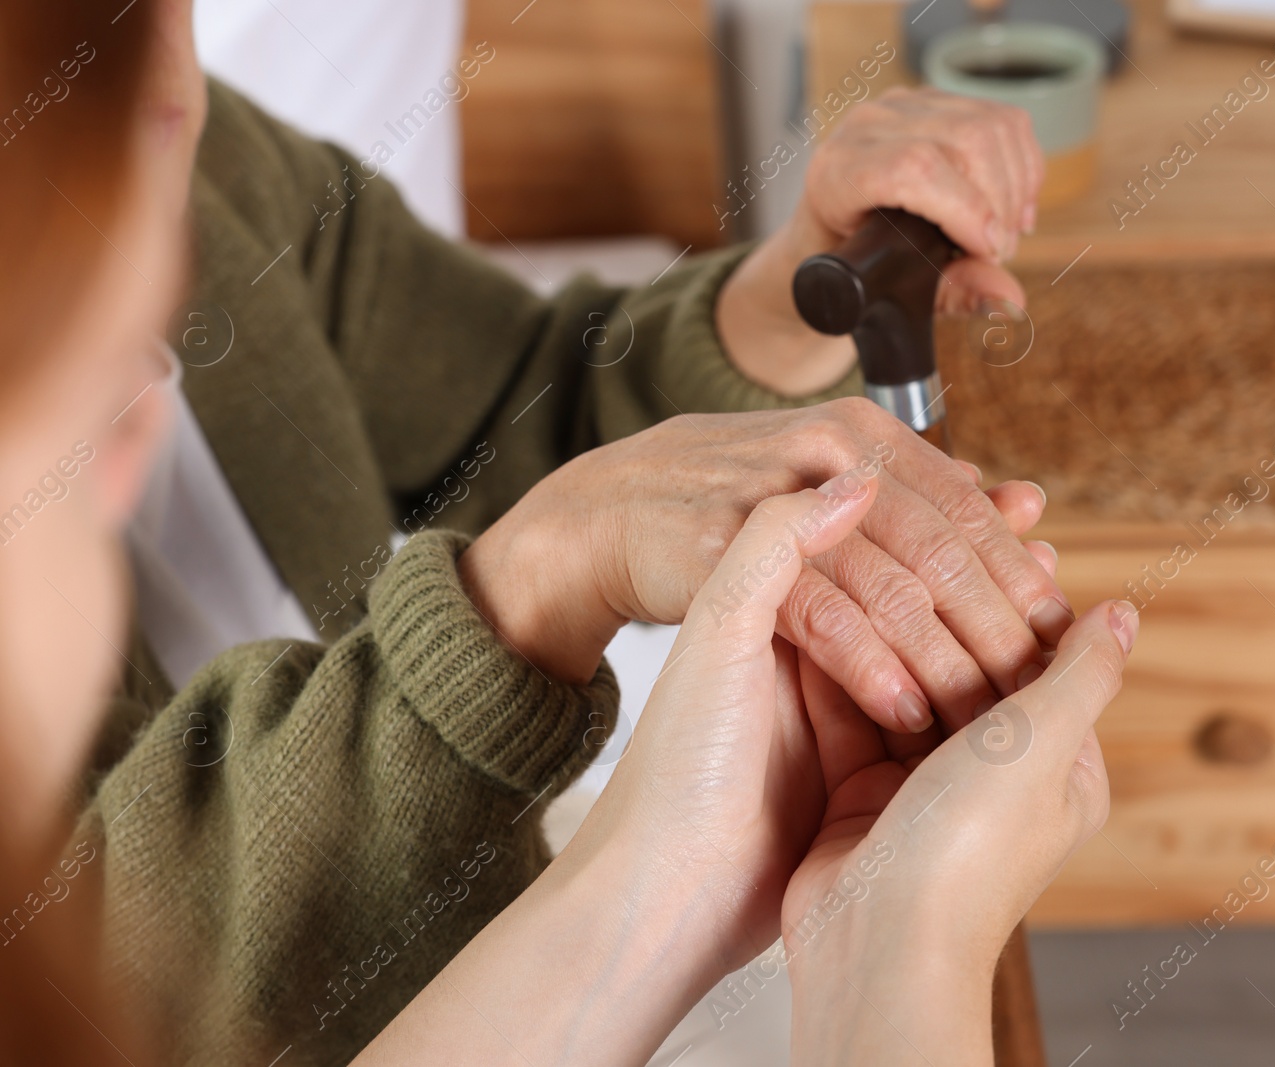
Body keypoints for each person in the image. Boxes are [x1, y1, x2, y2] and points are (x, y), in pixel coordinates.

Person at [1, 5, 1137, 1064]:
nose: (151, 71)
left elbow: (513, 399)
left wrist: (787, 298)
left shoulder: (202, 159)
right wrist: (526, 588)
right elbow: (84, 967)